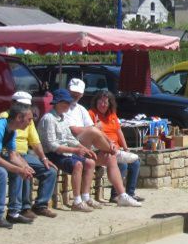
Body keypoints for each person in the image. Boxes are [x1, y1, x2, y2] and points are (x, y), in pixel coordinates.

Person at [63, 79, 141, 207]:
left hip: (87, 148)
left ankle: (122, 195)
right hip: (72, 146)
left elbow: (101, 130)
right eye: (72, 92)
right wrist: (93, 129)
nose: (74, 95)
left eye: (77, 93)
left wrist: (109, 141)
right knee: (94, 130)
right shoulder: (65, 108)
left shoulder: (81, 109)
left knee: (111, 158)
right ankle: (117, 153)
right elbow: (74, 130)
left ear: (82, 94)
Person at [0, 91, 58, 220]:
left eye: (26, 105)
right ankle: (23, 208)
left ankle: (40, 205)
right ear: (13, 103)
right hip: (8, 154)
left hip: (23, 154)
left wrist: (44, 158)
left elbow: (35, 141)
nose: (24, 108)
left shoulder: (28, 118)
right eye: (21, 105)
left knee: (50, 171)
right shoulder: (4, 116)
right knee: (23, 170)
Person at [39, 89, 99, 212]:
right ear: (57, 103)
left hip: (64, 152)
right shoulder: (49, 118)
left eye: (68, 103)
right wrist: (75, 150)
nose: (68, 105)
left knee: (90, 162)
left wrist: (83, 148)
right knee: (77, 164)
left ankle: (85, 197)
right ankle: (76, 202)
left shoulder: (63, 118)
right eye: (65, 103)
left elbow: (69, 137)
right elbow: (52, 145)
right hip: (52, 154)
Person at [88, 89, 144, 203]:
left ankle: (130, 193)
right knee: (121, 164)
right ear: (96, 102)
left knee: (135, 161)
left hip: (117, 149)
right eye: (100, 102)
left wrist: (126, 148)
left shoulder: (112, 115)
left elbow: (119, 132)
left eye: (105, 102)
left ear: (110, 104)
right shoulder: (91, 114)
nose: (102, 105)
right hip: (103, 149)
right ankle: (115, 195)